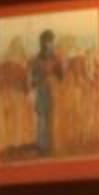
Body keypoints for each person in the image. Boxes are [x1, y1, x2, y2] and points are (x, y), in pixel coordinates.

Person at [28, 27, 61, 157]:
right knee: (41, 120)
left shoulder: (55, 58)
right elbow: (32, 81)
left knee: (51, 119)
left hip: (53, 93)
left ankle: (50, 146)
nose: (51, 44)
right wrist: (41, 78)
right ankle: (42, 147)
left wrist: (58, 68)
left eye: (52, 41)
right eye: (48, 41)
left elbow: (61, 76)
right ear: (43, 43)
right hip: (42, 93)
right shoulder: (36, 60)